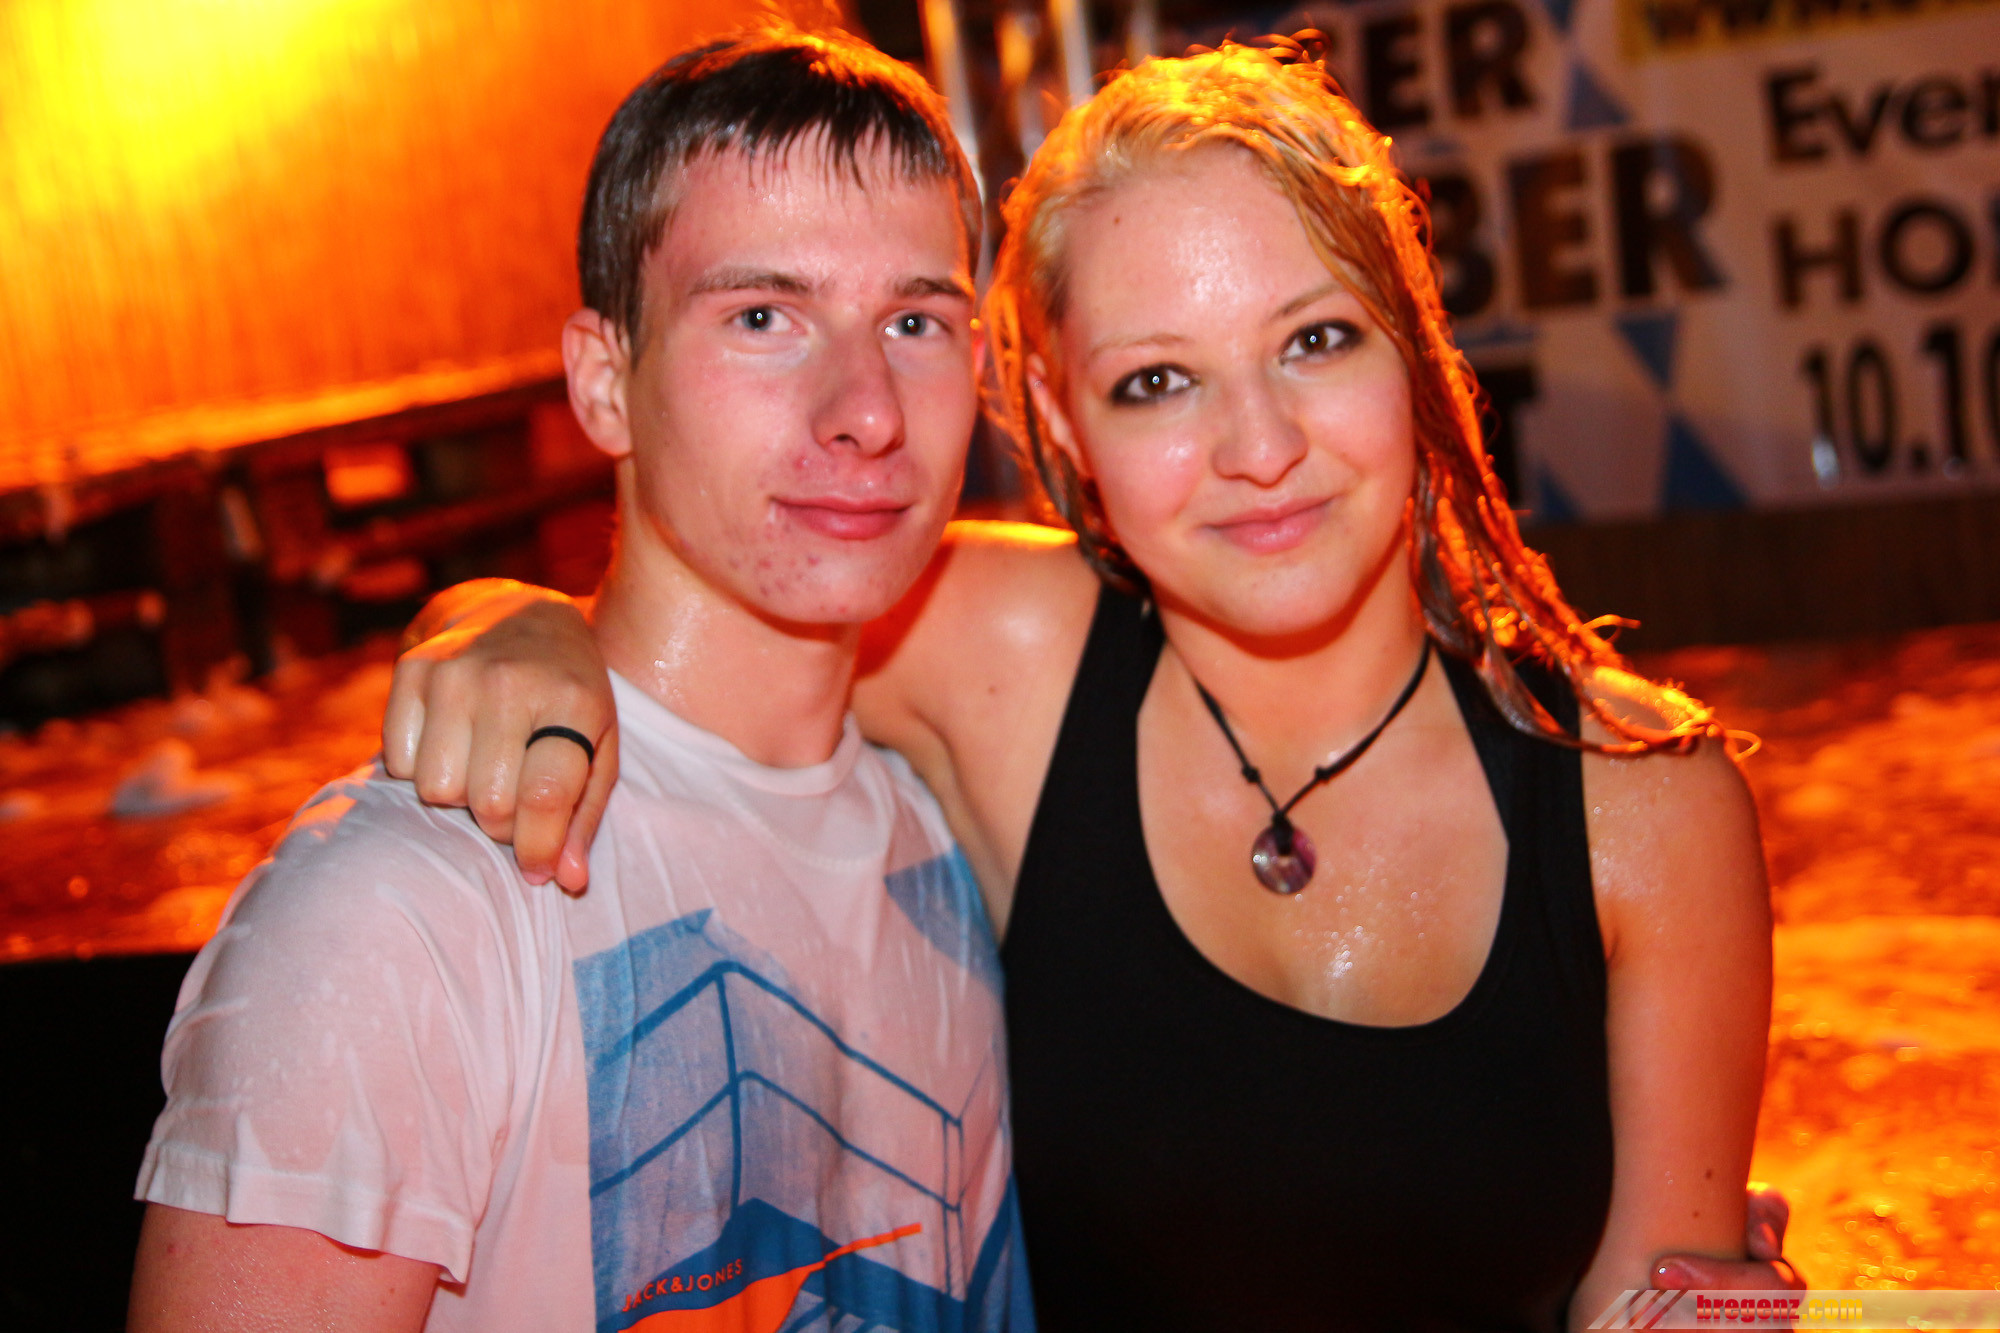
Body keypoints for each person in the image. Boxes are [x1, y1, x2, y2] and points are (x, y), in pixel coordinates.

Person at [386, 41, 1797, 1331]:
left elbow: (1664, 1308)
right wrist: (507, 621)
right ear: (1063, 423)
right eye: (1158, 383)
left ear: (1414, 351)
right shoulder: (1000, 656)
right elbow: (692, 614)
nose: (1259, 447)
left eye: (1316, 341)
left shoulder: (1644, 811)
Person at [128, 29, 1033, 1333]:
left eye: (913, 322)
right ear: (605, 383)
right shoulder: (406, 912)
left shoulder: (955, 837)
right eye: (764, 317)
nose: (869, 410)